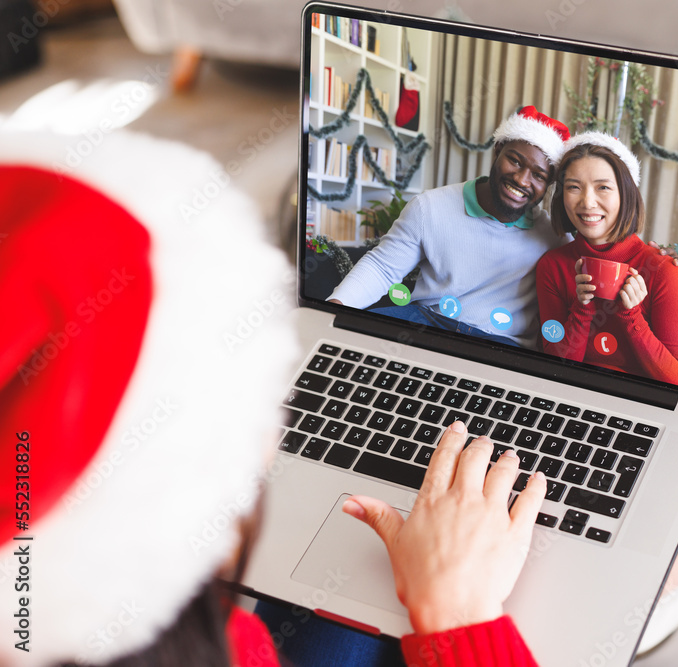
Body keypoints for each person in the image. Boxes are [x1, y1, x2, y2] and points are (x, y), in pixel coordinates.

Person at [0, 129, 546, 667]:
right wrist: (462, 615)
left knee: (342, 597)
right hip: (417, 330)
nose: (274, 423)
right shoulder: (240, 649)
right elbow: (382, 267)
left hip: (505, 351)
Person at [329, 105, 570, 348]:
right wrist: (333, 308)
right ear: (497, 150)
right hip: (428, 323)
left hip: (501, 344)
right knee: (352, 341)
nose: (521, 179)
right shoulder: (429, 207)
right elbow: (382, 268)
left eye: (538, 176)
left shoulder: (553, 237)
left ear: (549, 183)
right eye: (515, 161)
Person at [536, 132, 678, 385]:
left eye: (603, 187)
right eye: (573, 187)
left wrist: (631, 315)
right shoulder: (552, 266)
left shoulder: (664, 269)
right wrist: (582, 307)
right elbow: (556, 370)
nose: (587, 202)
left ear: (626, 194)